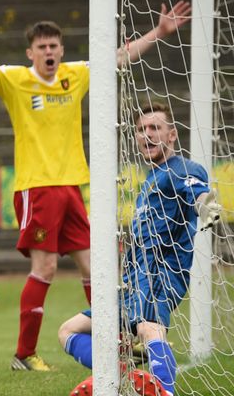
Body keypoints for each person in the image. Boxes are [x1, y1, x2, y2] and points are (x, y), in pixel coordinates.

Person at [0, 0, 192, 371]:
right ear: (31, 52)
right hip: (36, 186)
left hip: (71, 187)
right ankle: (24, 353)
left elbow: (119, 58)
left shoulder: (74, 75)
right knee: (44, 269)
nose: (49, 52)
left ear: (61, 49)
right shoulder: (16, 79)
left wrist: (158, 33)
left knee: (95, 269)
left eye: (54, 46)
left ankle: (117, 341)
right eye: (42, 47)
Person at [58, 102, 222, 396]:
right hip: (134, 279)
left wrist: (208, 208)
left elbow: (198, 192)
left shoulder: (182, 168)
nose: (146, 135)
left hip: (161, 270)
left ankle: (165, 392)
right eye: (141, 130)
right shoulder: (149, 179)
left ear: (171, 135)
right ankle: (122, 375)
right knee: (68, 330)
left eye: (154, 128)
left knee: (149, 328)